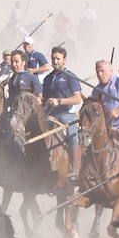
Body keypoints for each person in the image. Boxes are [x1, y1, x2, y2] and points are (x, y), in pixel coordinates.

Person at [42, 46, 83, 180]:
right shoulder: (47, 78)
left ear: (64, 60)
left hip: (66, 115)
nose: (55, 61)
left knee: (72, 136)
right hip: (49, 114)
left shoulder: (70, 76)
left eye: (58, 59)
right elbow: (44, 98)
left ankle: (75, 169)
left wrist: (59, 102)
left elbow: (77, 98)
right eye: (53, 58)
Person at [90, 59, 119, 135]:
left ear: (111, 71)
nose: (99, 74)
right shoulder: (96, 90)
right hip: (104, 129)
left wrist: (118, 111)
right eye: (97, 71)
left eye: (102, 71)